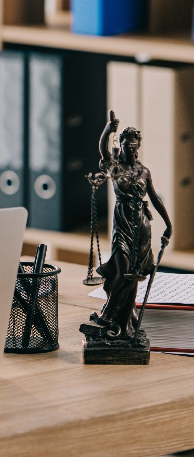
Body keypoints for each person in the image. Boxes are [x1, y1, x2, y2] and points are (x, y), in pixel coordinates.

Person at [89, 110, 172, 338]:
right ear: (122, 147)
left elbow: (155, 199)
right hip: (123, 224)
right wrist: (109, 129)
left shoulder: (144, 172)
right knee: (122, 270)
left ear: (138, 147)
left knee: (133, 275)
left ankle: (123, 323)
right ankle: (107, 316)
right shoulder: (116, 169)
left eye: (134, 146)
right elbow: (104, 151)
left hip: (142, 226)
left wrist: (168, 223)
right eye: (127, 146)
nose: (131, 150)